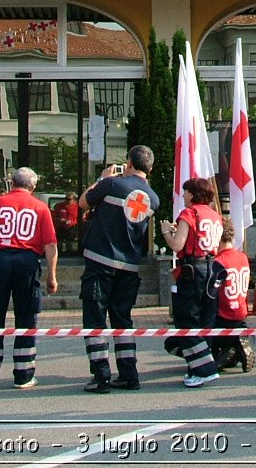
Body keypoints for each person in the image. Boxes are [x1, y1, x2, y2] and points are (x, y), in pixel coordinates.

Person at [78, 145, 160, 393]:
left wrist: (102, 179)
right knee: (123, 321)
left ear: (129, 163)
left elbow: (83, 203)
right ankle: (128, 374)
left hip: (100, 261)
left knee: (95, 319)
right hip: (128, 266)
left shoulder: (112, 185)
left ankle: (101, 376)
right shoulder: (153, 198)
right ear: (150, 168)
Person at [0, 167, 58, 390]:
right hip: (27, 261)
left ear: (12, 182)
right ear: (33, 186)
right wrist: (52, 276)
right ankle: (24, 374)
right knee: (27, 317)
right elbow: (50, 245)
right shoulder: (40, 207)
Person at [159, 177, 224, 387]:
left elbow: (178, 245)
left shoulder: (190, 213)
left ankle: (205, 369)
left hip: (192, 269)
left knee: (186, 320)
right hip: (211, 267)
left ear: (193, 194)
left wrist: (166, 232)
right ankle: (197, 368)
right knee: (206, 320)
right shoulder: (215, 216)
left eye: (186, 192)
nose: (184, 195)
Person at [211, 216, 256, 373]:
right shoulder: (242, 257)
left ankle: (229, 350)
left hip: (223, 316)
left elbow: (211, 293)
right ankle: (235, 347)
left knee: (175, 342)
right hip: (240, 314)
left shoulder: (219, 261)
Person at [52, 191, 80, 255]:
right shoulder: (58, 206)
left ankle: (69, 254)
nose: (66, 200)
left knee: (69, 243)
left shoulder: (77, 207)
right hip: (60, 227)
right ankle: (59, 254)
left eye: (69, 199)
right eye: (66, 198)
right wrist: (60, 220)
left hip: (71, 227)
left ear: (73, 200)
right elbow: (54, 217)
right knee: (59, 243)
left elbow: (81, 216)